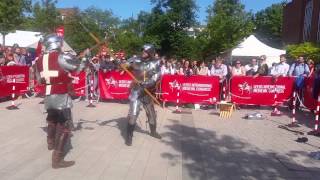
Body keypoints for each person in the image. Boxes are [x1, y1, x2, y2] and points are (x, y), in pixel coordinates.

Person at [35, 34, 85, 168]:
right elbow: (78, 70)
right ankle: (57, 159)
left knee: (52, 119)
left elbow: (39, 80)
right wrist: (85, 59)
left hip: (47, 95)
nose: (62, 45)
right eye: (60, 43)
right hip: (61, 95)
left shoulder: (39, 60)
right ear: (57, 43)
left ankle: (50, 143)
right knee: (65, 126)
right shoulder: (61, 57)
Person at [124, 44, 161, 146]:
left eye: (145, 51)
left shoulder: (155, 62)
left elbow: (157, 77)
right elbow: (124, 66)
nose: (143, 52)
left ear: (150, 52)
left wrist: (146, 84)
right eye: (143, 50)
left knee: (152, 114)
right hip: (136, 91)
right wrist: (119, 64)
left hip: (147, 91)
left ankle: (153, 132)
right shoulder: (135, 59)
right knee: (133, 114)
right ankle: (129, 136)